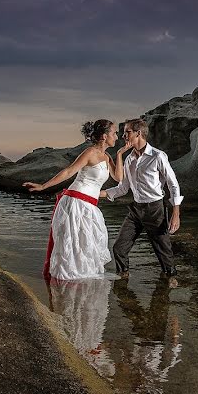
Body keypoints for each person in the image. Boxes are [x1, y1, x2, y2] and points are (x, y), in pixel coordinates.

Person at [23, 120, 130, 280]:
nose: (117, 136)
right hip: (76, 202)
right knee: (73, 246)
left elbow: (119, 177)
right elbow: (68, 171)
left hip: (90, 205)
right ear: (104, 136)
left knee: (87, 246)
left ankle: (78, 285)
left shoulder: (107, 157)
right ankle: (68, 285)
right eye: (114, 133)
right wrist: (44, 186)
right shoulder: (90, 153)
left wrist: (121, 154)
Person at [100, 118, 183, 279]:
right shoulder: (129, 159)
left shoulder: (158, 156)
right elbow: (122, 189)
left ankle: (170, 281)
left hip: (155, 209)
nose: (123, 136)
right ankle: (123, 278)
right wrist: (94, 193)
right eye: (123, 133)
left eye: (127, 132)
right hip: (136, 210)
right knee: (119, 248)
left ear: (138, 133)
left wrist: (176, 213)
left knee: (164, 252)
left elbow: (173, 185)